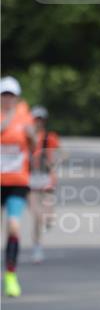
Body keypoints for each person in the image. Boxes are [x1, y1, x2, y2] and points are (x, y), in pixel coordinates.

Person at [0, 77, 35, 297]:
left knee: (13, 227)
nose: (8, 99)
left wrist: (31, 137)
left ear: (18, 97)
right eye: (4, 94)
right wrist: (10, 117)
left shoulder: (26, 117)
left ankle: (10, 275)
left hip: (17, 182)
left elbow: (32, 147)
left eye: (11, 95)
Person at [28, 106, 60, 263]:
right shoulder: (25, 136)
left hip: (46, 177)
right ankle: (37, 247)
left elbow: (57, 156)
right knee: (37, 216)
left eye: (40, 119)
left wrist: (51, 163)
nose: (38, 122)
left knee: (47, 214)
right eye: (35, 119)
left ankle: (48, 220)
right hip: (30, 178)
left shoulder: (50, 137)